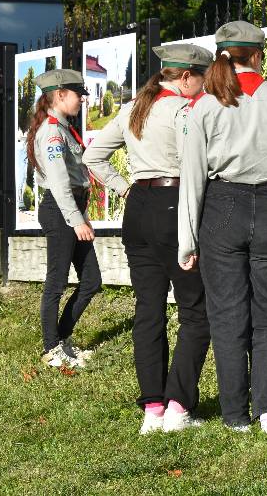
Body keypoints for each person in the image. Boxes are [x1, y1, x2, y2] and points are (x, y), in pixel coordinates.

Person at [178, 20, 267, 433]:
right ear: (256, 55)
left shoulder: (205, 104)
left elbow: (193, 175)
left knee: (226, 314)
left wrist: (188, 240)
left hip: (222, 208)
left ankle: (235, 415)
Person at [83, 44, 214, 435]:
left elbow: (93, 158)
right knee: (196, 309)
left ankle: (152, 406)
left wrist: (125, 189)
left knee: (148, 308)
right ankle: (178, 404)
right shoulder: (186, 111)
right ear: (187, 76)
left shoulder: (134, 107)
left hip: (139, 207)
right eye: (203, 78)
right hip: (177, 203)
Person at [27, 69, 101, 369]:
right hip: (60, 211)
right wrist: (76, 219)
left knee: (92, 280)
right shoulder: (52, 132)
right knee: (56, 282)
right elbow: (59, 183)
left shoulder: (64, 128)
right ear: (59, 95)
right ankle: (51, 348)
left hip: (70, 210)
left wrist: (81, 216)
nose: (83, 98)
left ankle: (60, 340)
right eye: (77, 93)